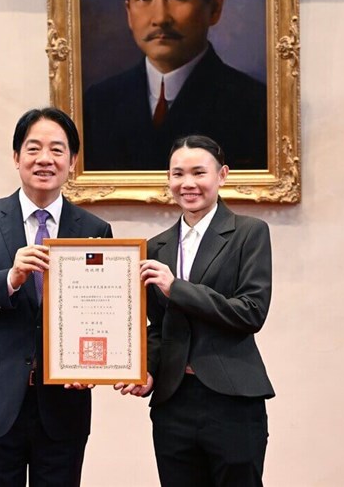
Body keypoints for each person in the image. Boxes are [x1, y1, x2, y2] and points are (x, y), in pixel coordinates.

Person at [0, 107, 113, 487]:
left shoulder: (93, 229)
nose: (44, 159)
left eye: (57, 149)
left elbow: (101, 314)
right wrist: (9, 278)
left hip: (63, 406)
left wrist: (95, 366)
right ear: (17, 157)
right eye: (33, 148)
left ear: (72, 161)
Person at [115, 135, 274, 486]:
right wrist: (147, 368)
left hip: (232, 399)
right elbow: (159, 326)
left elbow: (251, 312)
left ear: (222, 175)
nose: (187, 184)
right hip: (173, 402)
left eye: (198, 173)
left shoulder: (249, 233)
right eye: (177, 174)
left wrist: (178, 288)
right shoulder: (157, 247)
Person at [82, 0, 267, 171]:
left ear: (214, 9)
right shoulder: (97, 105)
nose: (160, 18)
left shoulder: (255, 106)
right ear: (128, 13)